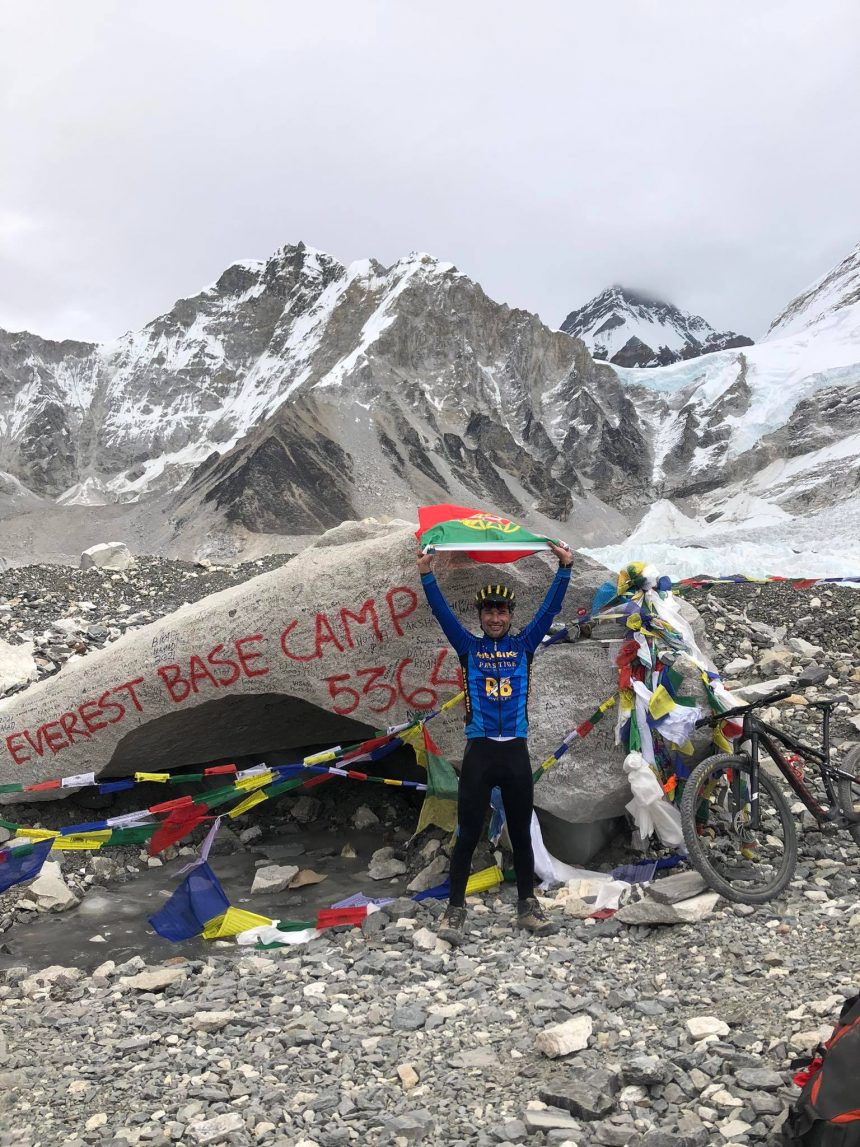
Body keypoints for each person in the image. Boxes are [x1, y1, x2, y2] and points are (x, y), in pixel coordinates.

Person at [416, 540, 573, 943]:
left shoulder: (525, 645)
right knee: (467, 833)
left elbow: (550, 611)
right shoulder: (468, 647)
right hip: (481, 752)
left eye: (501, 610)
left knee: (520, 832)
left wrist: (565, 570)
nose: (496, 616)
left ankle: (527, 906)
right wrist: (426, 575)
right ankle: (454, 912)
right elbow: (441, 613)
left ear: (509, 615)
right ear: (482, 617)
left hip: (515, 753)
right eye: (489, 611)